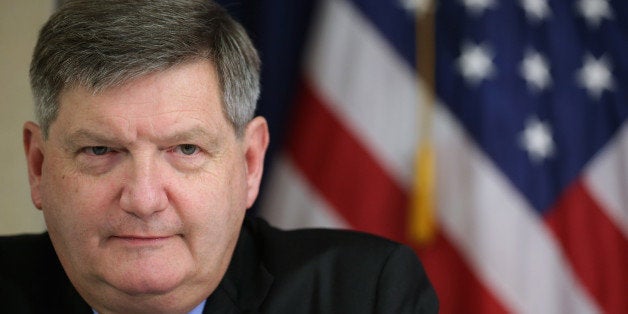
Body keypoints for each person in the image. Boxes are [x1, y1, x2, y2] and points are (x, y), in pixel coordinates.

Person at [0, 0, 438, 313]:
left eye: (185, 149)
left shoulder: (363, 296)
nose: (144, 199)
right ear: (38, 165)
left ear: (249, 163)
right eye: (100, 150)